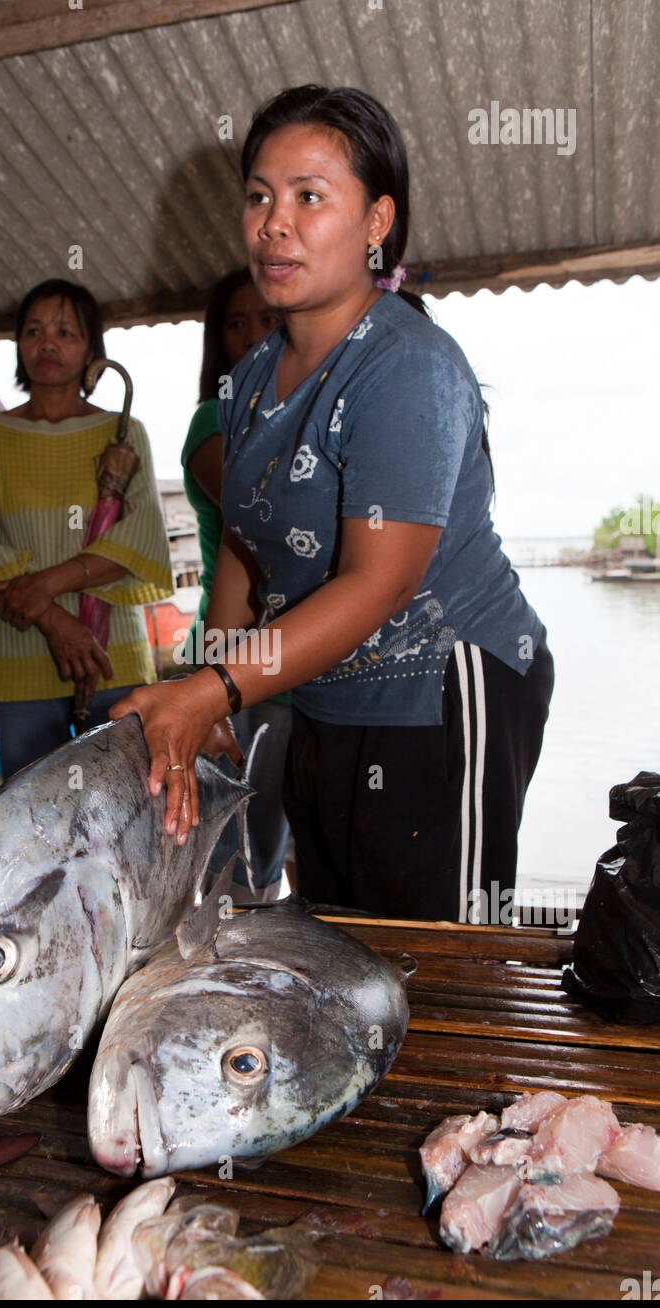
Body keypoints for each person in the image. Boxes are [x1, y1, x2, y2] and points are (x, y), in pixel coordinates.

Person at [112, 85, 555, 924]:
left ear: (377, 221)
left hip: (439, 684)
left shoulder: (406, 366)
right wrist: (218, 683)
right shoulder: (245, 385)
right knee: (335, 947)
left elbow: (379, 584)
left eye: (310, 197)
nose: (274, 223)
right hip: (321, 693)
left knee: (432, 956)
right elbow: (247, 553)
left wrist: (215, 687)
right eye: (259, 196)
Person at [0, 278, 172, 779]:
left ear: (91, 349)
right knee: (34, 823)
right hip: (17, 658)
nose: (48, 344)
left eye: (66, 331)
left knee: (120, 815)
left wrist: (45, 586)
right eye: (34, 331)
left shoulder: (124, 432)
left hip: (111, 654)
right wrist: (57, 620)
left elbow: (141, 536)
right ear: (19, 346)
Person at [181, 267, 293, 902]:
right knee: (240, 864)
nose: (254, 334)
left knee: (306, 853)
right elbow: (260, 513)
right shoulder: (212, 422)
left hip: (310, 662)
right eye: (235, 323)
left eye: (269, 319)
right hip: (238, 668)